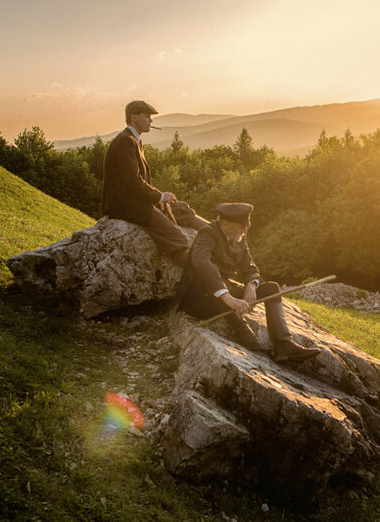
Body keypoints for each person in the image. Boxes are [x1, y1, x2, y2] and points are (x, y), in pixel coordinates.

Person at [179, 203, 320, 363]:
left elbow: (249, 267)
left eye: (247, 226)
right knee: (211, 279)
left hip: (222, 291)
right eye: (241, 226)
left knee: (271, 288)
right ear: (226, 224)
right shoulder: (208, 234)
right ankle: (240, 327)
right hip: (198, 299)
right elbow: (201, 263)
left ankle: (284, 345)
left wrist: (251, 286)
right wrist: (229, 298)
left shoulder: (239, 238)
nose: (245, 231)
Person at [101, 100, 208, 265]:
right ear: (134, 118)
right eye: (147, 116)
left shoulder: (133, 140)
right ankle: (198, 274)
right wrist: (159, 197)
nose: (151, 121)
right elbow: (132, 180)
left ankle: (216, 232)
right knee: (176, 237)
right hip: (126, 206)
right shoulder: (125, 141)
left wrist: (160, 198)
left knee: (180, 209)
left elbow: (138, 180)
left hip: (134, 201)